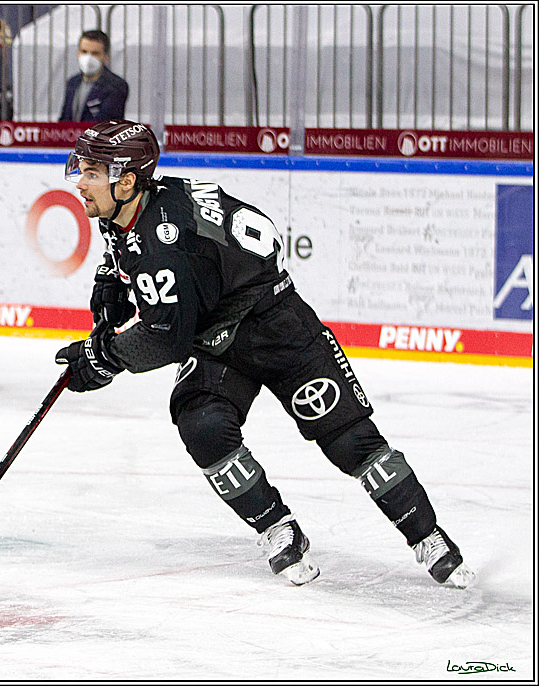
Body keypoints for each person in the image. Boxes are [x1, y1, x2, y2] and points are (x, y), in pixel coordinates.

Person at [55, 119, 475, 589]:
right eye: (82, 167)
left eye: (91, 172)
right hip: (218, 338)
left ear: (127, 179)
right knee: (204, 426)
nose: (79, 181)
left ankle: (428, 535)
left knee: (350, 440)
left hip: (276, 325)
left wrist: (101, 357)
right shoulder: (145, 202)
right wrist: (112, 279)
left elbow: (166, 338)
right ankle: (278, 528)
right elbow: (133, 249)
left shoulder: (162, 242)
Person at [58, 30, 127, 122]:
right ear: (78, 53)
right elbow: (65, 119)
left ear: (106, 57)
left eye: (95, 53)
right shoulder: (72, 82)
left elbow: (108, 122)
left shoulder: (116, 86)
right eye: (84, 51)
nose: (88, 58)